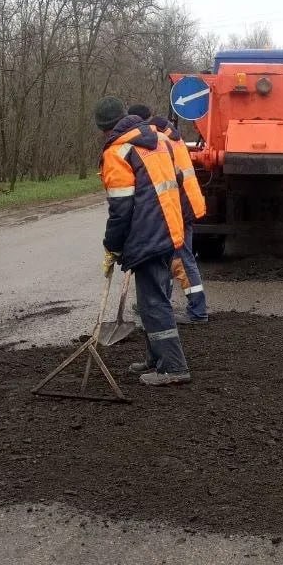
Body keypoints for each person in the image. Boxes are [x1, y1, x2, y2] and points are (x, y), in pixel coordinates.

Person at [93, 96, 190, 387]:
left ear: (103, 129)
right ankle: (155, 358)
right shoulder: (155, 140)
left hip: (148, 235)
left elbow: (121, 210)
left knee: (153, 303)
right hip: (168, 229)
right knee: (153, 298)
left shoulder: (118, 151)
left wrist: (112, 246)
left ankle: (173, 367)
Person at [127, 105, 208, 323]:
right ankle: (161, 304)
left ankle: (198, 311)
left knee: (181, 258)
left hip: (177, 206)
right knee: (170, 257)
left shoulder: (159, 139)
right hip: (183, 202)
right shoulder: (167, 134)